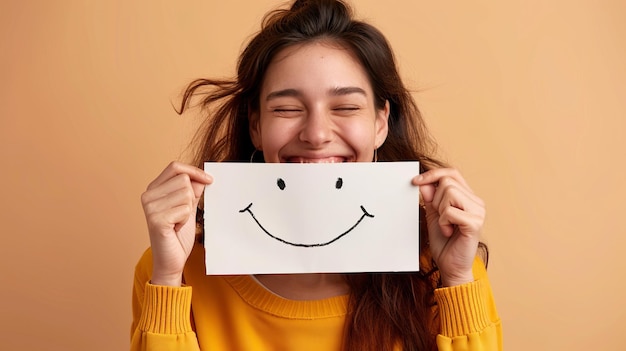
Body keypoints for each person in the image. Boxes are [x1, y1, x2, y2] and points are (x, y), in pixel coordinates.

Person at [131, 0, 502, 350]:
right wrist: (166, 279)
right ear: (256, 126)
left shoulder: (442, 271)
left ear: (380, 123)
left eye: (345, 106)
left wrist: (456, 280)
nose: (317, 134)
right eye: (288, 108)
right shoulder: (175, 269)